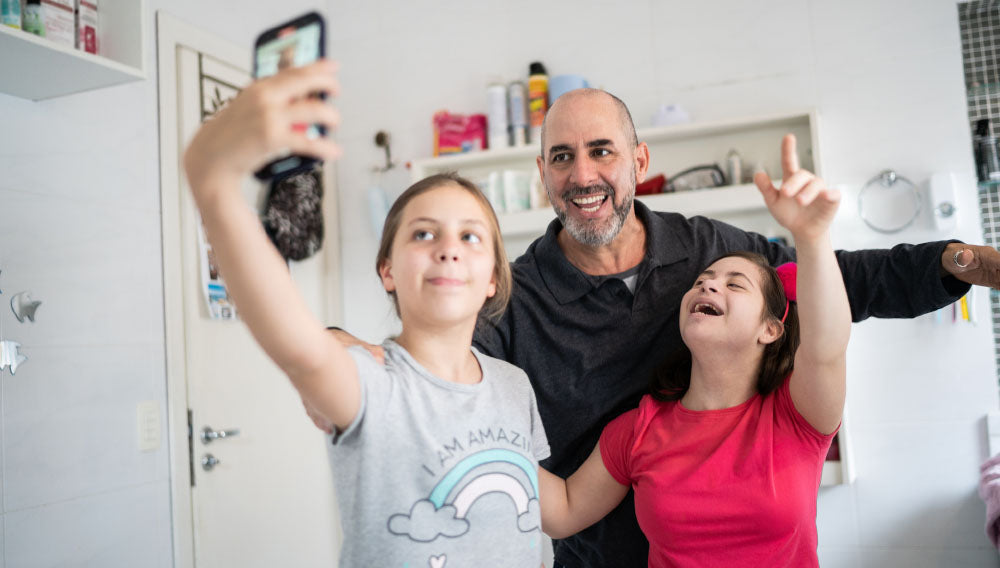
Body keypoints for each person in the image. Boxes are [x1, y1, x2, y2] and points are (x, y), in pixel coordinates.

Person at [328, 88, 999, 567]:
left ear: (639, 162)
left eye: (601, 152)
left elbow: (841, 288)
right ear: (542, 176)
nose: (582, 175)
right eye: (561, 157)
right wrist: (350, 361)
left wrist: (960, 261)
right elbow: (435, 368)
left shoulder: (710, 250)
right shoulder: (514, 296)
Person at [183, 60, 550, 567]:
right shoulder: (371, 383)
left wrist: (632, 445)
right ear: (388, 270)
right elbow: (296, 343)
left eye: (470, 236)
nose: (448, 248)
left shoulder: (514, 386)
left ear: (492, 277)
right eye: (424, 233)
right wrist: (212, 180)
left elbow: (550, 510)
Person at [537, 134, 850, 567]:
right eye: (703, 280)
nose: (709, 285)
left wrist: (812, 236)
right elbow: (564, 510)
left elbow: (826, 347)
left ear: (770, 329)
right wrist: (486, 427)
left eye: (734, 284)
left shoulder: (796, 414)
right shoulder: (638, 430)